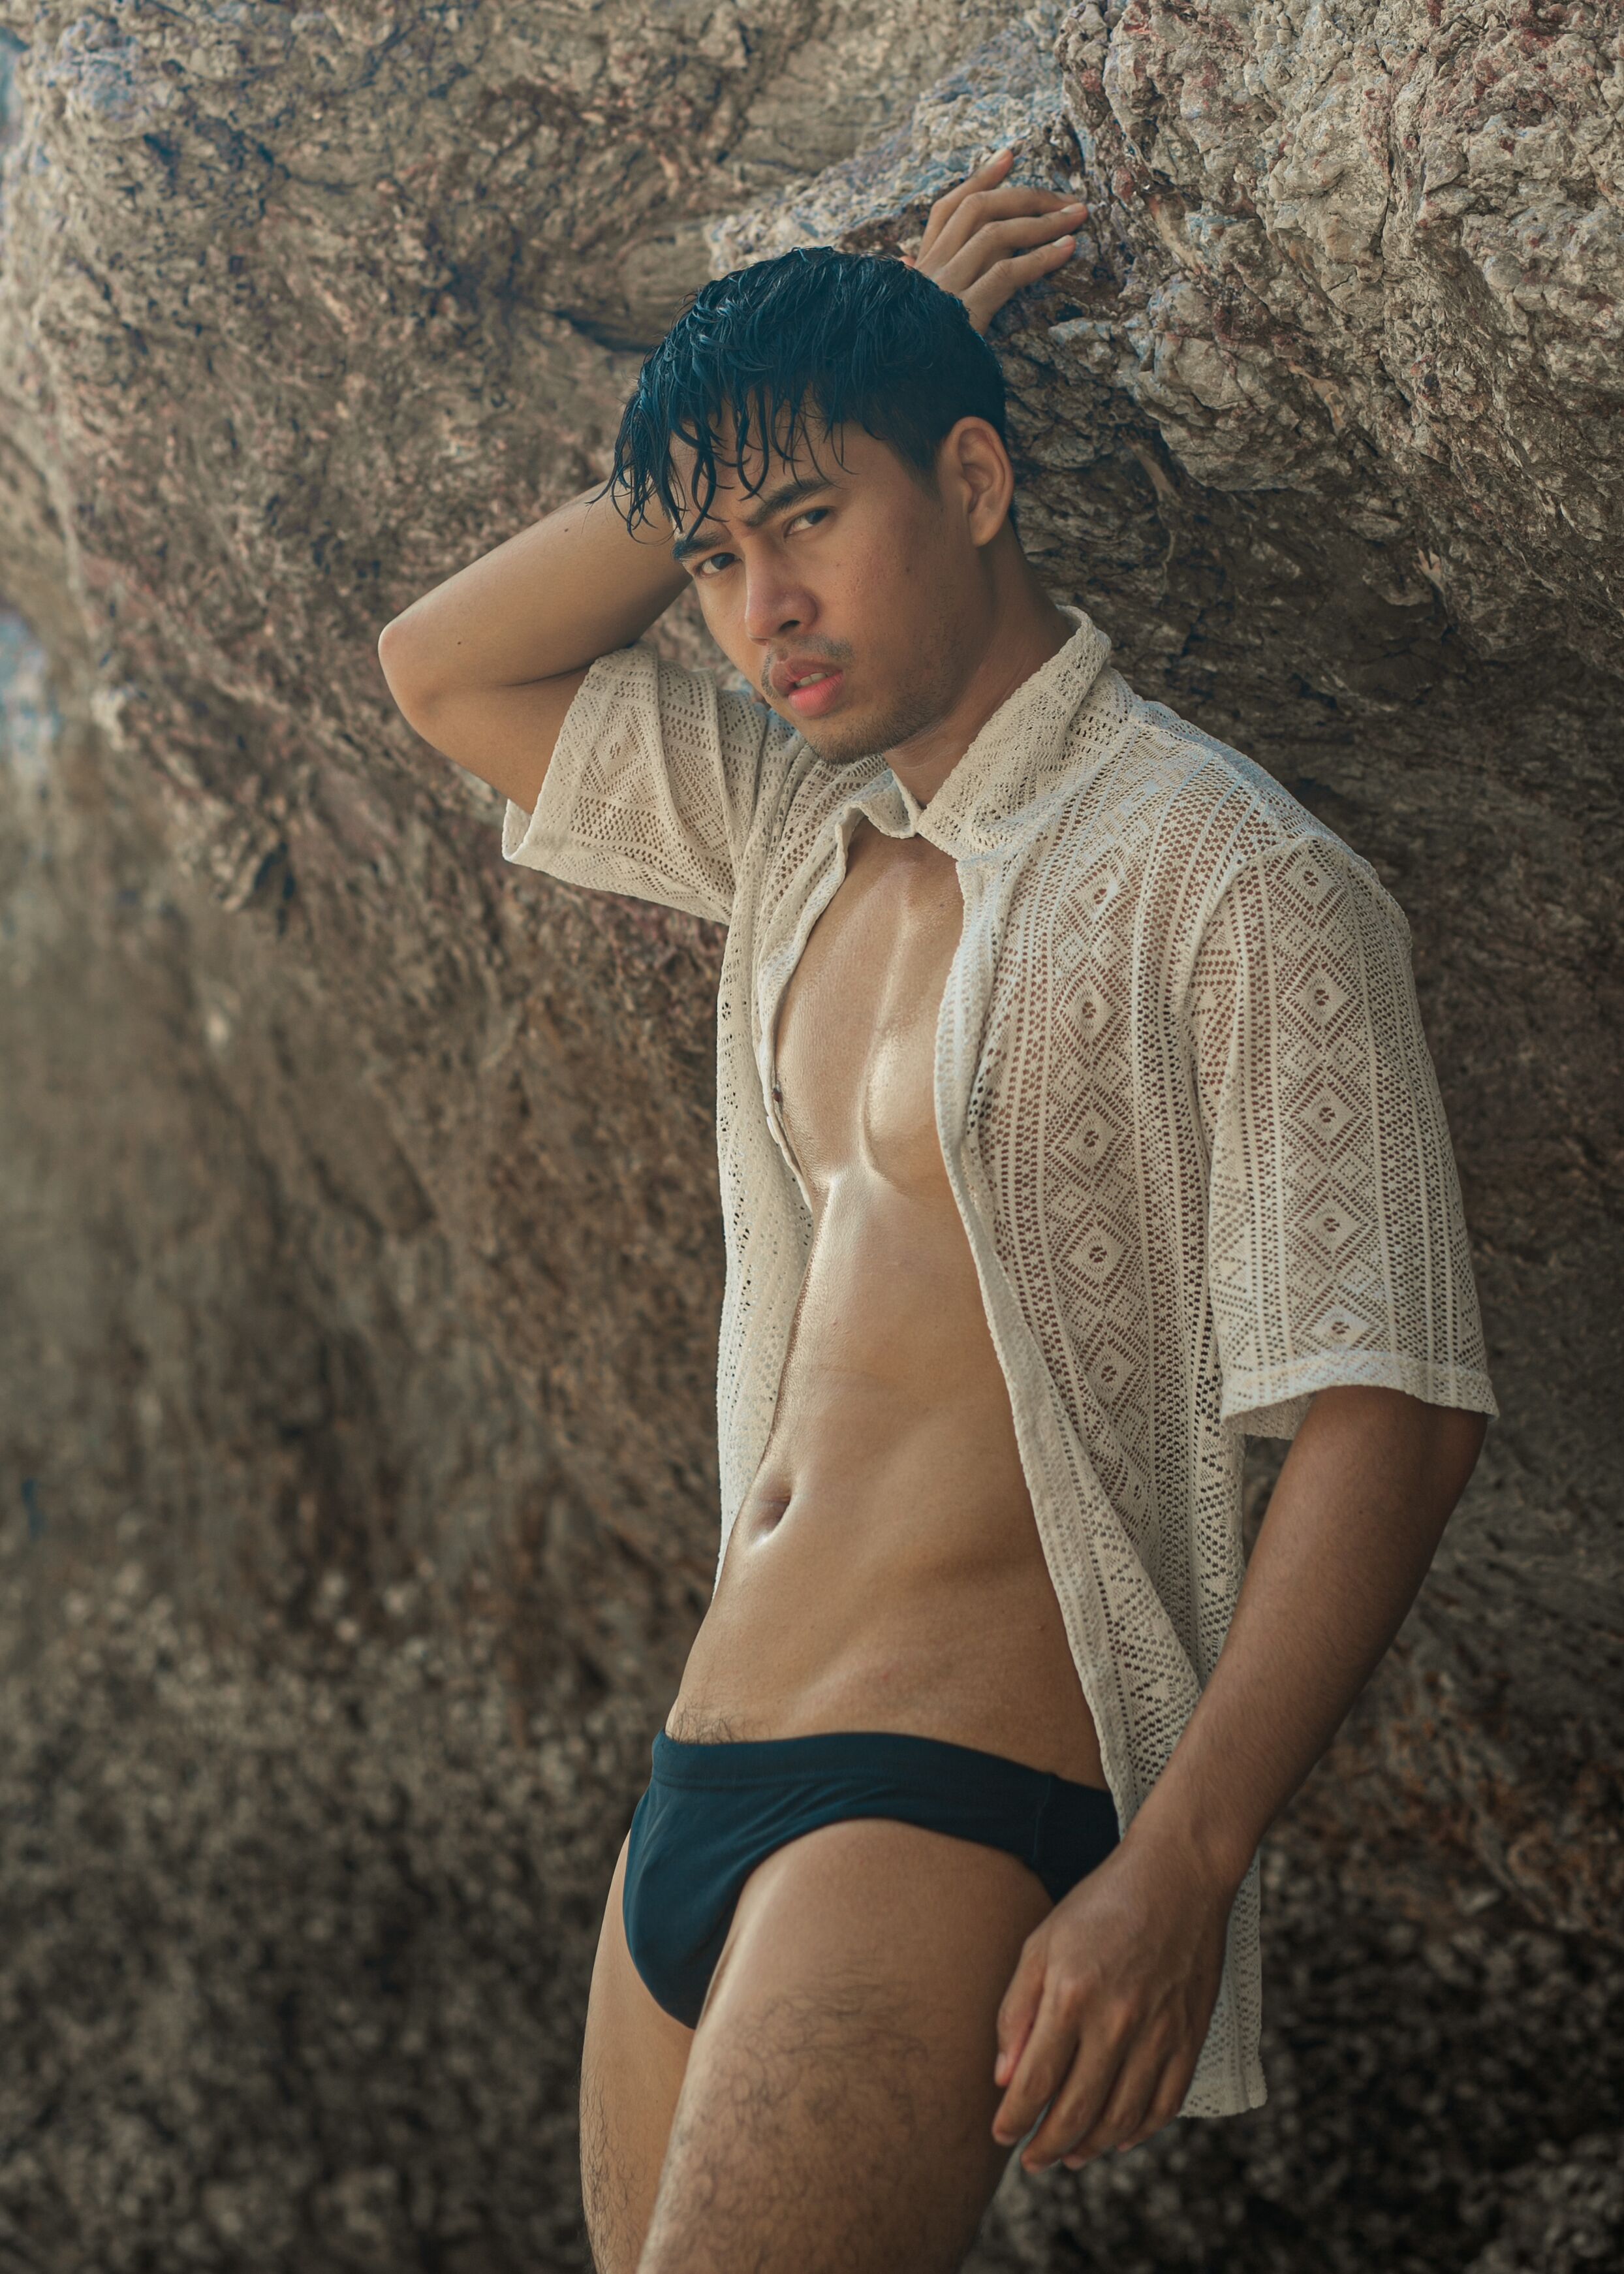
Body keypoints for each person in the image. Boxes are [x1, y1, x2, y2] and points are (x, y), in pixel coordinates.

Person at [377, 149, 1497, 2274]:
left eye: (811, 518)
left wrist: (1185, 1864)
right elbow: (442, 669)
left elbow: (1396, 1409)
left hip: (945, 1789)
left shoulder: (1231, 876)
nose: (760, 611)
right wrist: (784, 397)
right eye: (716, 560)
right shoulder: (794, 834)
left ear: (974, 480)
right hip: (703, 1770)